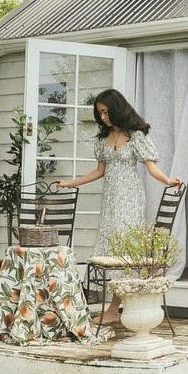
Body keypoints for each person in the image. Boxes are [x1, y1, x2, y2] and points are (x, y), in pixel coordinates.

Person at [58, 89, 181, 324]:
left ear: (116, 109)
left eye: (105, 112)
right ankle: (115, 306)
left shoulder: (135, 136)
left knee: (122, 250)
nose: (103, 117)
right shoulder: (103, 141)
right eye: (99, 113)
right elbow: (99, 171)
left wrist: (167, 180)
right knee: (110, 249)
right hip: (110, 200)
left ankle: (114, 309)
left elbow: (150, 166)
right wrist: (72, 183)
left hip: (130, 199)